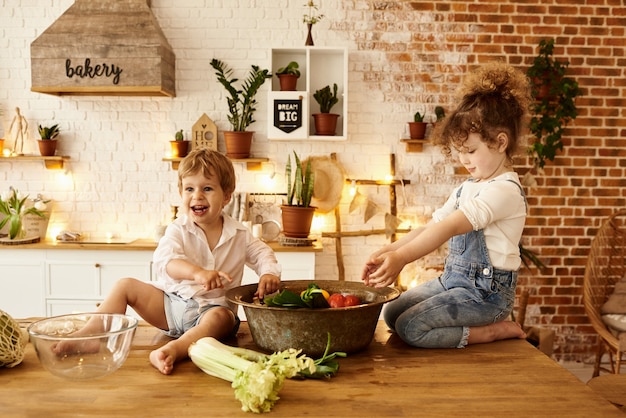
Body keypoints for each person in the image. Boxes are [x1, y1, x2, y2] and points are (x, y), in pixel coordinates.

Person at [56, 148, 281, 374]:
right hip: (172, 305)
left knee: (223, 317)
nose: (197, 196)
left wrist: (268, 274)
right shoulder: (177, 229)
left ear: (226, 196)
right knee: (124, 285)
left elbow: (262, 254)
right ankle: (91, 335)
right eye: (189, 188)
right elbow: (166, 262)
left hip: (212, 311)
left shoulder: (240, 234)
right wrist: (197, 273)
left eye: (207, 188)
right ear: (181, 192)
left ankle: (175, 348)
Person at [361, 62, 532, 349]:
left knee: (411, 327)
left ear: (501, 142)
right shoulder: (468, 187)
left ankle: (493, 330)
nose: (463, 160)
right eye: (459, 153)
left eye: (471, 151)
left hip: (485, 294)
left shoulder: (505, 191)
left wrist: (403, 259)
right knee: (391, 314)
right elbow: (433, 227)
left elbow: (450, 228)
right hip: (453, 281)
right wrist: (389, 251)